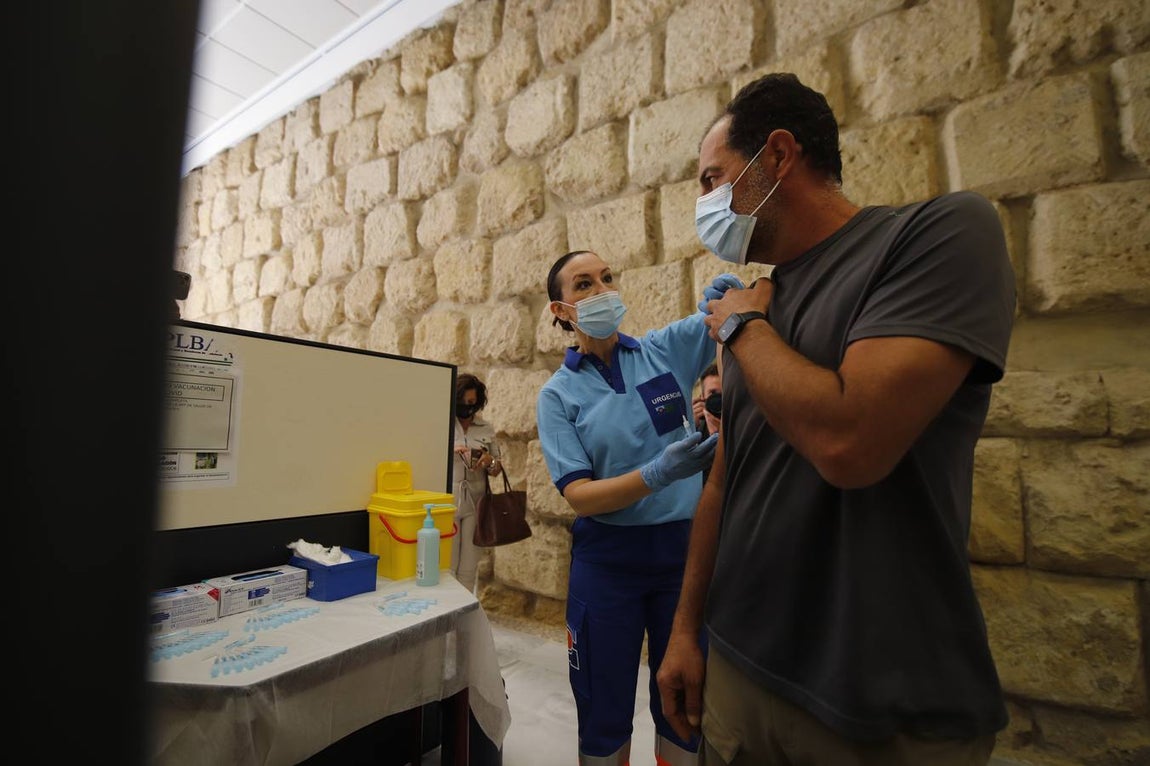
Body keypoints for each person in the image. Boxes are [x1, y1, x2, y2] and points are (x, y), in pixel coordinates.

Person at [656, 72, 1015, 765]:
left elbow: (850, 442)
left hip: (874, 705)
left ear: (778, 156)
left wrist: (741, 329)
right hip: (737, 670)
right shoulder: (756, 302)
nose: (704, 205)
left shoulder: (935, 237)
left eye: (713, 180)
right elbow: (724, 483)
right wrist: (685, 630)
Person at [536, 250, 737, 766]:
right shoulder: (558, 395)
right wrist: (656, 474)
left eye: (606, 278)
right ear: (561, 310)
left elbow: (715, 319)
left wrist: (721, 297)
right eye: (584, 285)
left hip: (681, 559)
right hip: (608, 563)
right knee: (603, 705)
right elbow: (578, 495)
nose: (602, 290)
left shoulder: (661, 352)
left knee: (685, 700)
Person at [451, 372, 503, 593]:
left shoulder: (486, 428)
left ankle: (464, 613)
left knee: (468, 569)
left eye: (471, 403)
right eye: (462, 402)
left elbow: (497, 469)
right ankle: (448, 613)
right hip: (447, 503)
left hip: (476, 503)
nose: (466, 408)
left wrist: (489, 461)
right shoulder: (444, 424)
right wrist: (450, 451)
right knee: (448, 567)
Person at [692, 362, 722, 438]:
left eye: (724, 392)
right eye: (713, 393)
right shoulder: (698, 425)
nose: (719, 398)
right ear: (702, 397)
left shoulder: (741, 423)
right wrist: (691, 427)